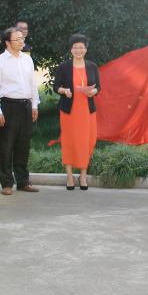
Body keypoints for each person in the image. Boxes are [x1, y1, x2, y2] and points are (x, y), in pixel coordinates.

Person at [0, 26, 40, 195]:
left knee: (23, 145)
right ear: (7, 42)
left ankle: (23, 181)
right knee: (6, 146)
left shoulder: (27, 59)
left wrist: (34, 104)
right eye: (17, 39)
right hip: (8, 106)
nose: (21, 42)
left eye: (22, 39)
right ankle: (6, 183)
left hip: (25, 105)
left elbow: (33, 83)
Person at [53, 34, 101, 191]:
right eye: (75, 47)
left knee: (86, 141)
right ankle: (69, 176)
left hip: (87, 111)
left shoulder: (92, 66)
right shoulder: (64, 67)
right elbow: (56, 87)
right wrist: (64, 91)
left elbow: (98, 86)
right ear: (71, 49)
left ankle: (83, 176)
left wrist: (93, 91)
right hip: (69, 112)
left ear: (86, 49)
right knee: (69, 141)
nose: (78, 50)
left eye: (81, 47)